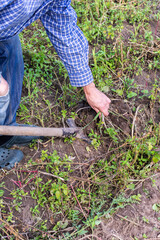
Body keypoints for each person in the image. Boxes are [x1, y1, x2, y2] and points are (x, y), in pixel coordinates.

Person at [0, 0, 111, 169]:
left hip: (4, 28)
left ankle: (6, 132)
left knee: (11, 58)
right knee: (1, 90)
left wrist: (90, 89)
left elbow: (63, 29)